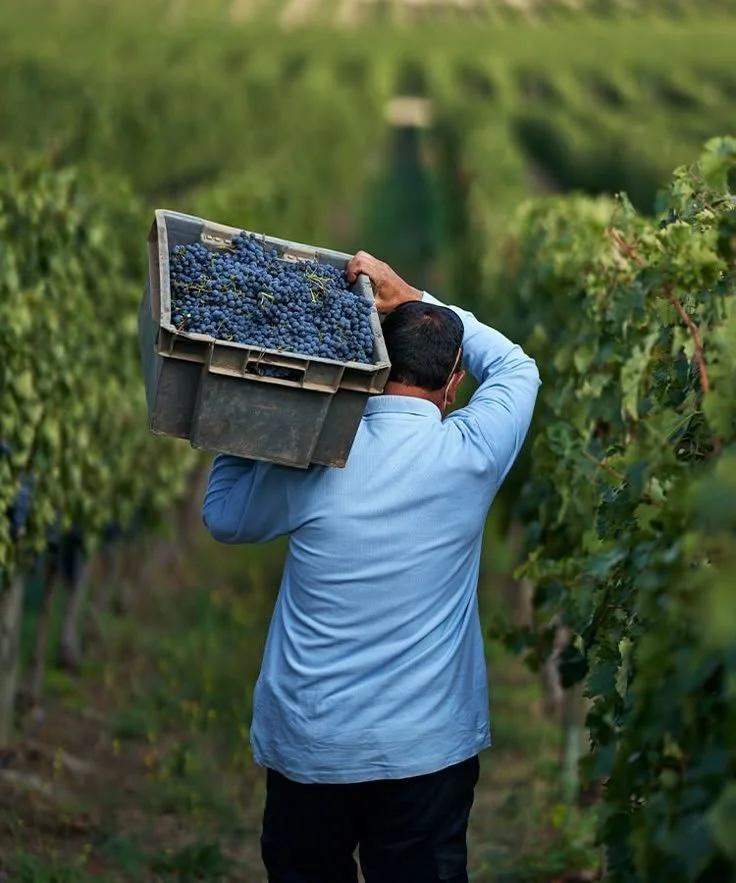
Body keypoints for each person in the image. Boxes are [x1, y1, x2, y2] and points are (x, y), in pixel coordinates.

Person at [202, 251, 541, 883]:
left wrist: (243, 418)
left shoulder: (318, 458)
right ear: (454, 383)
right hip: (427, 751)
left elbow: (223, 516)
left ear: (372, 365)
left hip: (312, 748)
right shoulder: (472, 455)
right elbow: (517, 366)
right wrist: (412, 293)